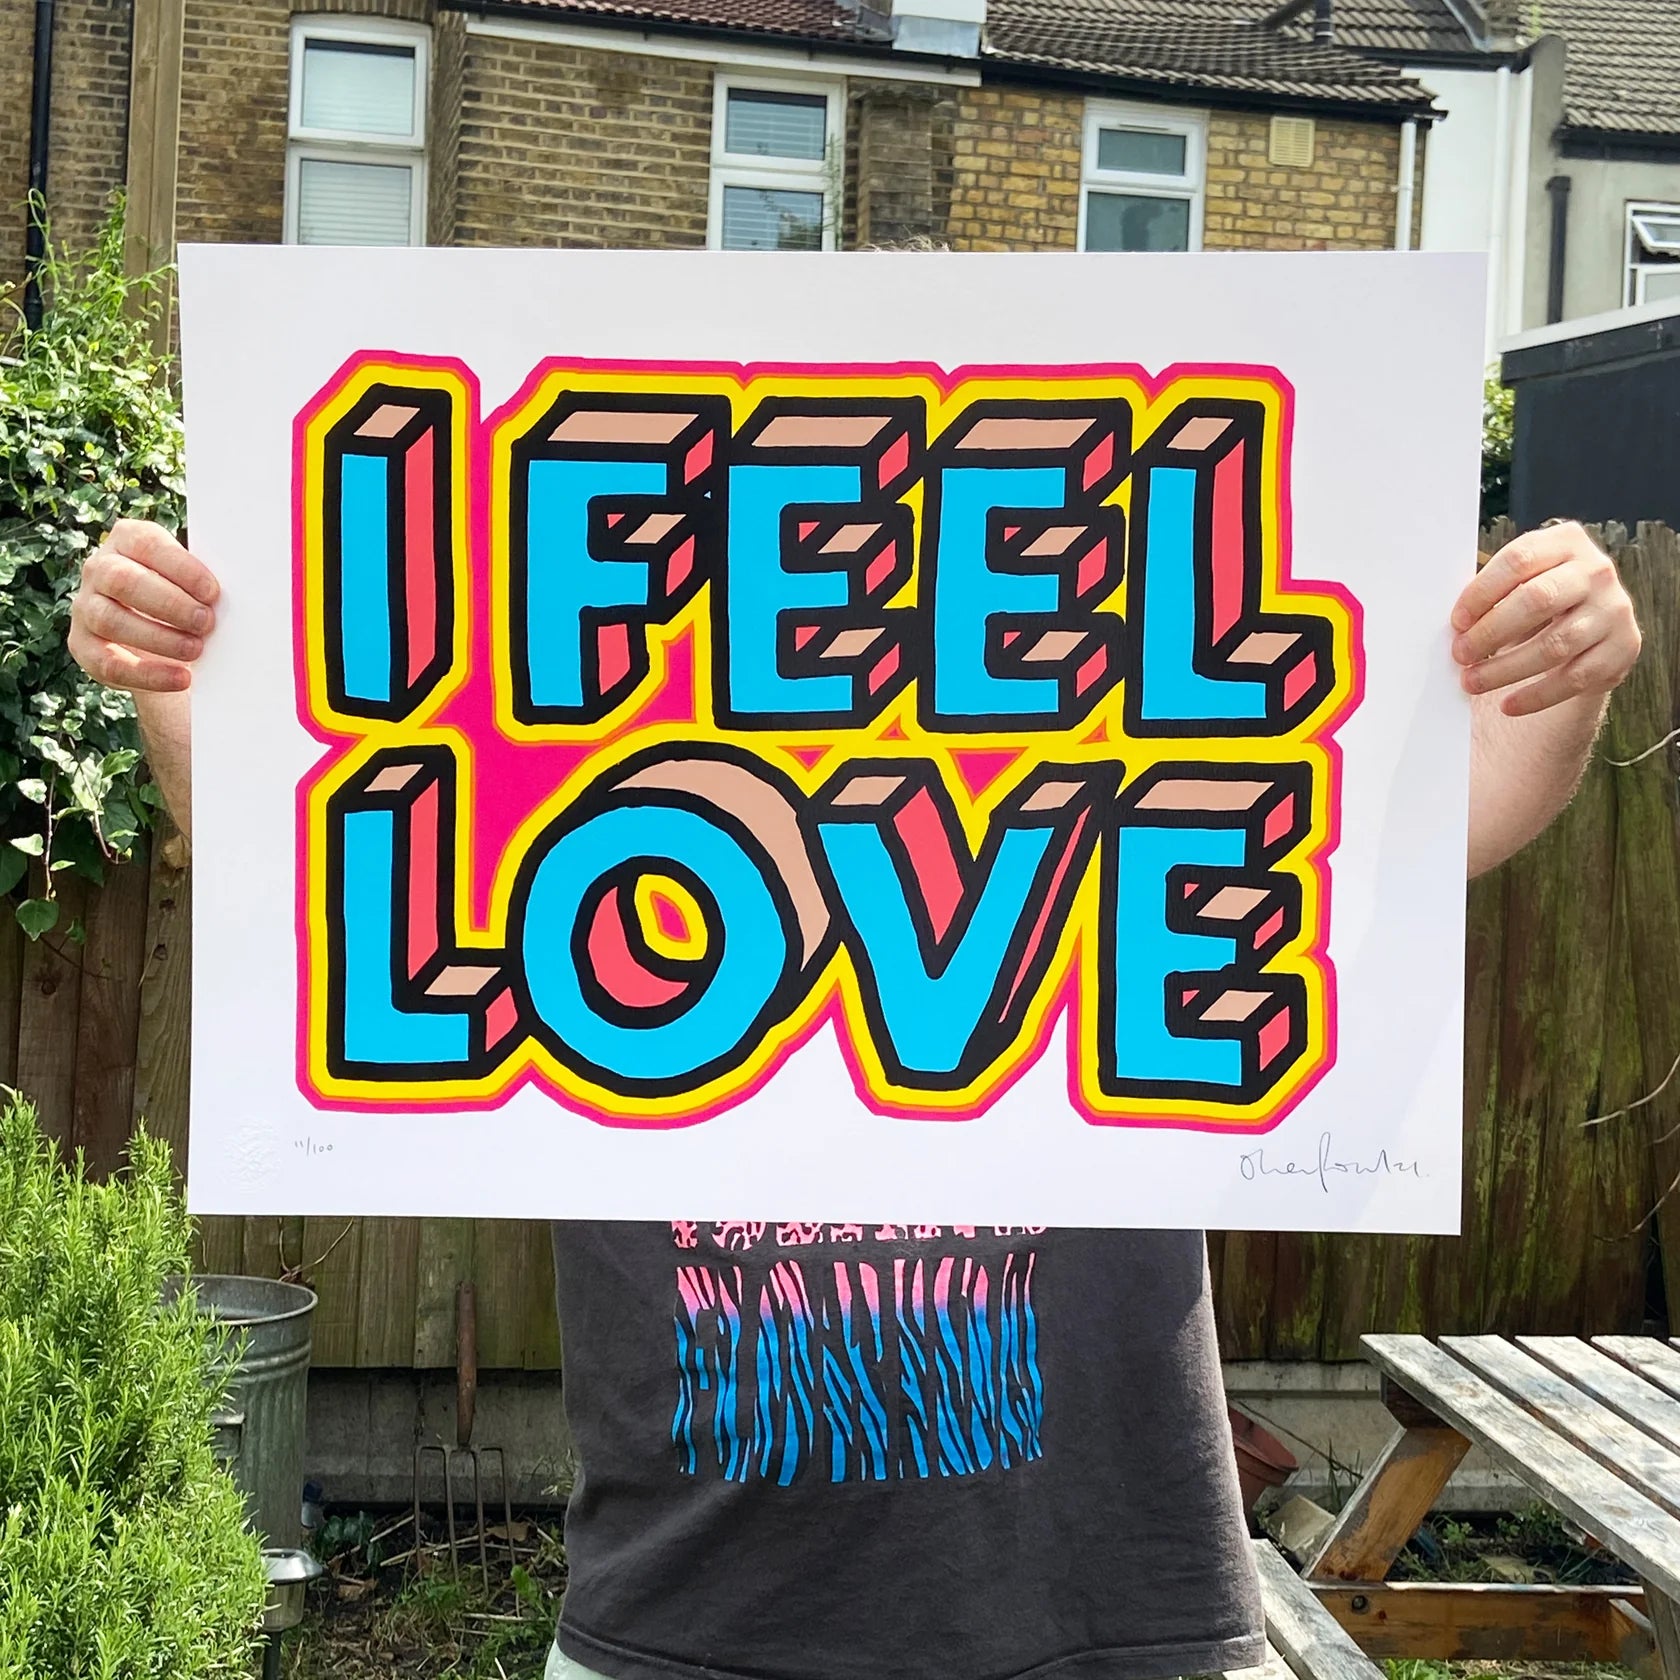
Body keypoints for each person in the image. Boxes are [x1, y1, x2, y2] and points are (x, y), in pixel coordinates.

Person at [70, 510, 1638, 1680]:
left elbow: (1427, 833)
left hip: (1115, 1606)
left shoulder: (1108, 762)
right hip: (682, 1619)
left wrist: (1558, 684)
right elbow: (325, 849)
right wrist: (192, 695)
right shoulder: (581, 791)